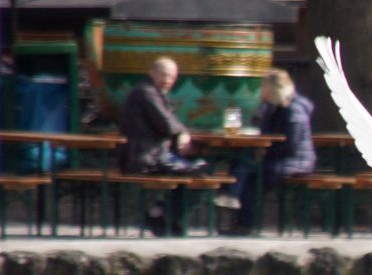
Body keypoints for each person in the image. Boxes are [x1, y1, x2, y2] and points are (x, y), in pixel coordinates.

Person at [218, 68, 316, 235]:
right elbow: (262, 129)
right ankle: (234, 202)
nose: (261, 90)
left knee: (252, 175)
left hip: (295, 161)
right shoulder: (274, 107)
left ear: (273, 89)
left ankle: (244, 220)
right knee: (243, 164)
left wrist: (266, 154)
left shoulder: (294, 109)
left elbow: (290, 144)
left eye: (263, 87)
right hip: (283, 158)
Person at [118, 56, 207, 236]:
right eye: (164, 75)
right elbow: (165, 122)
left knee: (200, 171)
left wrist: (182, 134)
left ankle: (161, 214)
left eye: (172, 77)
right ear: (152, 73)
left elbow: (168, 122)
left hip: (155, 155)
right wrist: (182, 134)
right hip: (145, 158)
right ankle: (164, 217)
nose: (168, 81)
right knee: (201, 174)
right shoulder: (145, 92)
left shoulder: (156, 93)